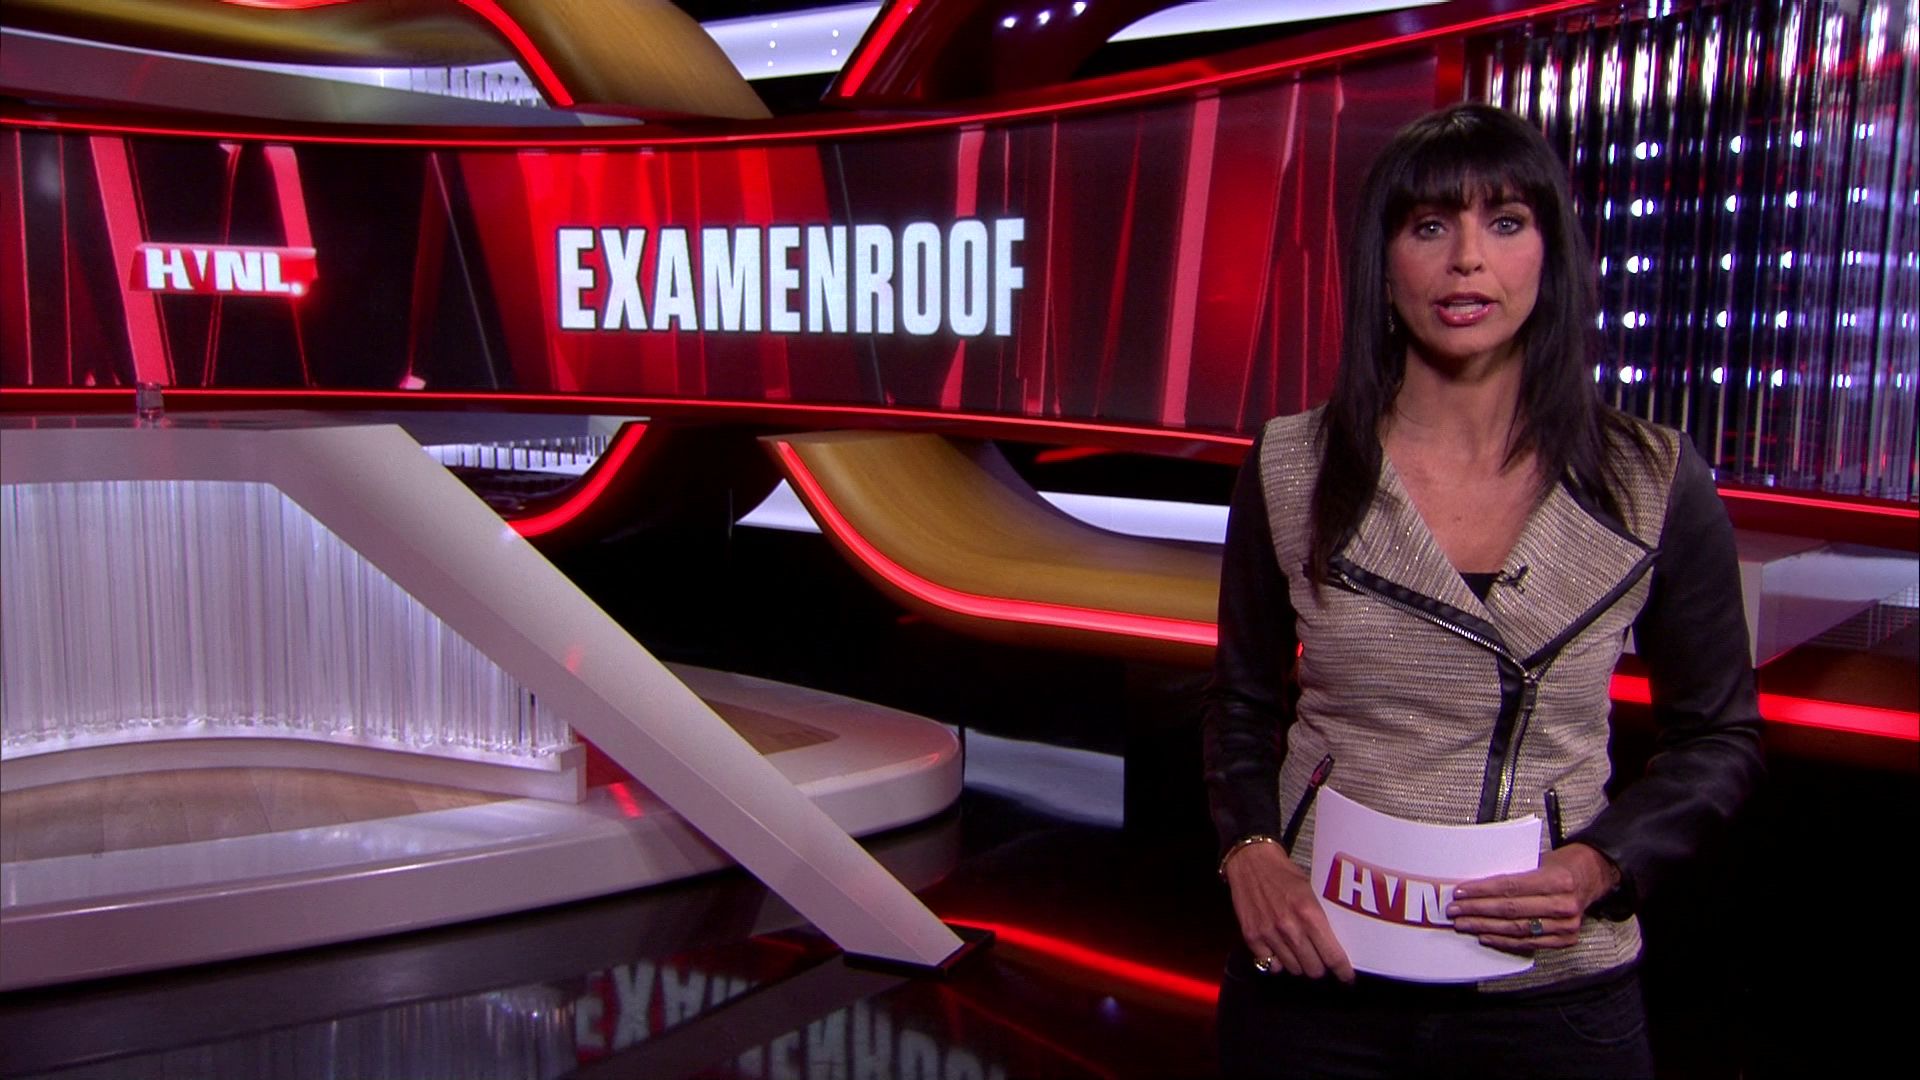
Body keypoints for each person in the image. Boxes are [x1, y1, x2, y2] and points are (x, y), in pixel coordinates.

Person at [1203, 103, 1765, 1079]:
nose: (1467, 258)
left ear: (1550, 256)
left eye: (1505, 222)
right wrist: (1248, 849)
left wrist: (1598, 865)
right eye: (1431, 226)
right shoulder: (1291, 464)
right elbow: (1241, 703)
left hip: (1552, 996)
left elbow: (1718, 738)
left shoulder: (1652, 478)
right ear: (1384, 265)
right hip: (1319, 972)